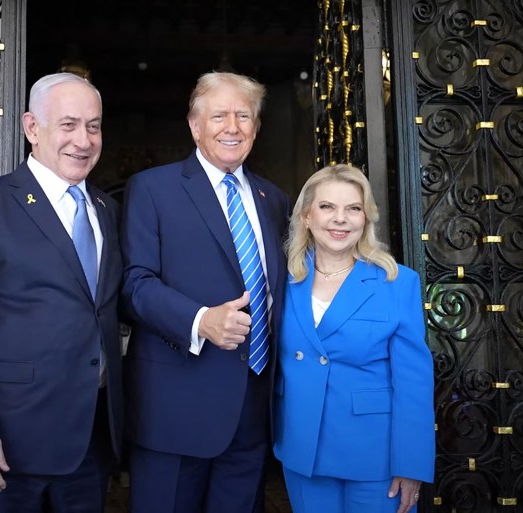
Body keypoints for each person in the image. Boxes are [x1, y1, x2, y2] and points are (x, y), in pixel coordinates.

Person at [0, 72, 123, 513]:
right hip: (5, 443)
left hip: (91, 441)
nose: (84, 139)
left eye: (93, 126)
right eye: (69, 124)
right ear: (32, 128)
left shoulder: (106, 209)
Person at [120, 71, 291, 513]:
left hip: (251, 414)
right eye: (219, 116)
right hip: (175, 410)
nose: (232, 127)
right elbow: (134, 285)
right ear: (195, 125)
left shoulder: (275, 200)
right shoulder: (152, 189)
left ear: (256, 127)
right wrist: (201, 320)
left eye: (243, 115)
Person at [273, 164, 435, 513]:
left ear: (366, 218)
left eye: (353, 208)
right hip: (303, 449)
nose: (340, 219)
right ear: (306, 216)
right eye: (327, 207)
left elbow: (413, 382)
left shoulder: (397, 282)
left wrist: (411, 463)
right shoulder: (280, 280)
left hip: (376, 456)